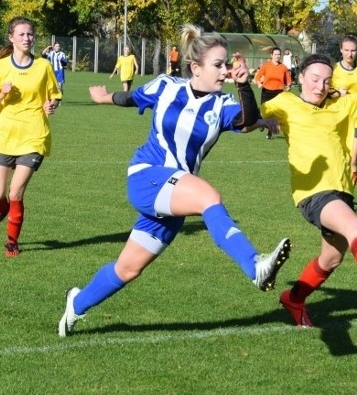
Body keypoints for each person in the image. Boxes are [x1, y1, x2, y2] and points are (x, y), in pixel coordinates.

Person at [58, 25, 291, 337]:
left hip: (175, 195)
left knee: (127, 269)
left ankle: (76, 304)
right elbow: (132, 96)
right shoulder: (166, 86)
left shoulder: (222, 105)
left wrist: (245, 87)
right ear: (196, 68)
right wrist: (104, 98)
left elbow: (247, 119)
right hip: (146, 176)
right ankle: (255, 266)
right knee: (208, 196)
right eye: (218, 65)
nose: (224, 72)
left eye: (226, 65)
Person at [261, 42, 357, 328]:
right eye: (314, 79)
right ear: (301, 79)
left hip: (342, 191)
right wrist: (256, 112)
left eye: (326, 81)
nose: (320, 86)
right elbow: (251, 120)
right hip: (314, 193)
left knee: (331, 258)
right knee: (355, 228)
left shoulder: (340, 105)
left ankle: (293, 299)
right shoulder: (285, 102)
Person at [0, 17, 62, 257]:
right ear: (11, 37)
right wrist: (1, 95)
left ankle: (12, 242)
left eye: (30, 34)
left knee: (15, 192)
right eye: (22, 34)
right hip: (4, 136)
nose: (27, 38)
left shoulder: (43, 66)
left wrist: (52, 105)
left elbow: (54, 95)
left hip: (34, 136)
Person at [330, 34, 357, 186]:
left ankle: (348, 196)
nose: (350, 54)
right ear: (340, 50)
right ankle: (336, 191)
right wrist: (337, 93)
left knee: (353, 160)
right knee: (339, 158)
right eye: (346, 50)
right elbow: (323, 93)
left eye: (353, 50)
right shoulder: (333, 70)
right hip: (339, 118)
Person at [254, 47, 292, 139]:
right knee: (264, 112)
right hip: (266, 91)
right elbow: (257, 77)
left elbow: (289, 82)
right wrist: (259, 83)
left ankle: (269, 132)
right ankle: (262, 123)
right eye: (275, 54)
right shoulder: (266, 65)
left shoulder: (283, 67)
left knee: (273, 114)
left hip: (278, 93)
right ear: (271, 55)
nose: (277, 56)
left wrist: (288, 87)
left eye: (279, 54)